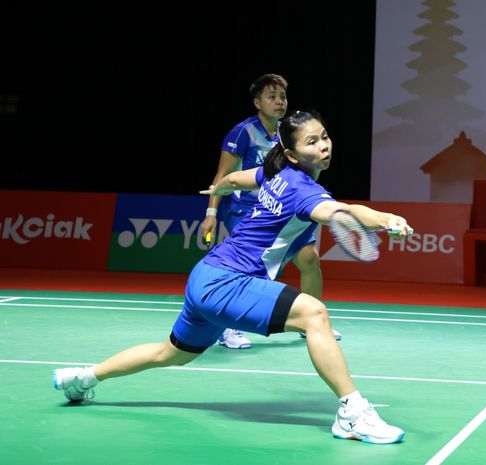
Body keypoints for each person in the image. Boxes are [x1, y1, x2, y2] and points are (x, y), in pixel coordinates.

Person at [53, 111, 411, 444]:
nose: (324, 145)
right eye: (312, 141)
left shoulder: (275, 174)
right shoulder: (303, 190)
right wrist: (388, 220)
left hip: (204, 277)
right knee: (314, 314)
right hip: (227, 282)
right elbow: (342, 211)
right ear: (290, 153)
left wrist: (219, 191)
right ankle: (351, 413)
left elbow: (237, 178)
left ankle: (83, 378)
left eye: (325, 137)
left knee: (171, 354)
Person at [200, 73, 340, 349]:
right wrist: (211, 214)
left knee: (309, 258)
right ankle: (228, 328)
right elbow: (223, 175)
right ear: (257, 102)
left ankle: (313, 322)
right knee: (248, 269)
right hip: (247, 208)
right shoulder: (243, 132)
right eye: (272, 97)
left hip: (283, 209)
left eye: (283, 97)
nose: (279, 102)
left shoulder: (289, 133)